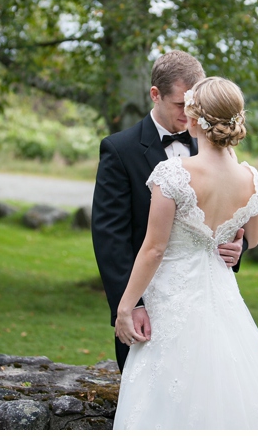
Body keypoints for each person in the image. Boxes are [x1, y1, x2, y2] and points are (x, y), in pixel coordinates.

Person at [112, 76, 258, 429]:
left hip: (172, 300)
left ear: (195, 118)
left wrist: (126, 307)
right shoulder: (250, 176)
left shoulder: (172, 174)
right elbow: (255, 237)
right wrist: (235, 244)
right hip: (223, 299)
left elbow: (154, 249)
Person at [92, 50, 244, 372]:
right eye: (180, 105)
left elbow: (227, 215)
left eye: (195, 107)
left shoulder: (215, 148)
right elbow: (110, 238)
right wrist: (131, 305)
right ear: (155, 95)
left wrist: (236, 247)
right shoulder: (119, 150)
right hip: (148, 308)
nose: (190, 116)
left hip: (207, 308)